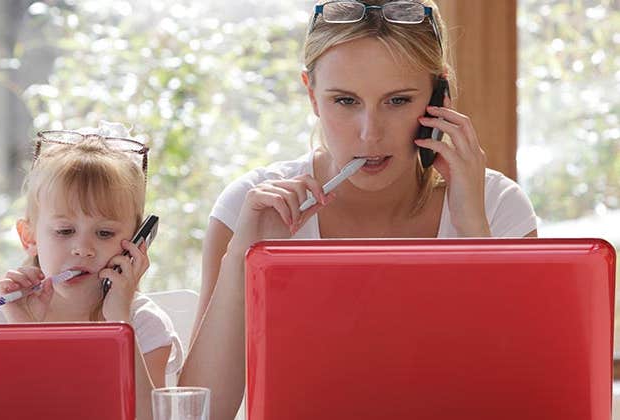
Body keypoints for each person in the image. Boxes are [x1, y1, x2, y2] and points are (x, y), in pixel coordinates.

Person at [180, 0, 537, 418]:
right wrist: (245, 257)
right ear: (312, 95)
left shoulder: (497, 207)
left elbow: (526, 397)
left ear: (439, 98)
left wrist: (473, 228)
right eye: (345, 101)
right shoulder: (251, 206)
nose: (370, 133)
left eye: (398, 101)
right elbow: (199, 413)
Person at [0, 121, 183, 420]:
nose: (83, 248)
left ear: (137, 244)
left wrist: (121, 324)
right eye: (65, 230)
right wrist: (26, 332)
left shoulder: (144, 326)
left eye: (105, 233)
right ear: (29, 238)